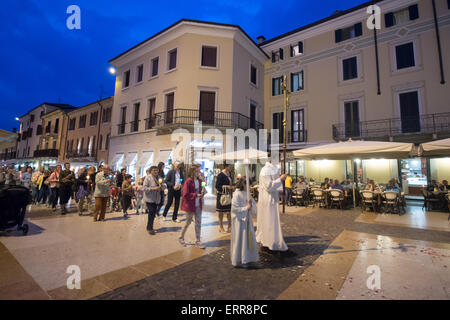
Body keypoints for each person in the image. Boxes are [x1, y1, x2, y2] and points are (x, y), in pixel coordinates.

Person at [256, 161, 288, 252]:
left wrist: (281, 191)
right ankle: (268, 242)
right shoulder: (265, 170)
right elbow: (269, 186)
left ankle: (271, 241)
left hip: (272, 199)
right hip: (268, 200)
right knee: (268, 220)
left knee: (271, 221)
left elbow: (274, 185)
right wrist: (280, 179)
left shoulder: (272, 169)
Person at [230, 176, 259, 268]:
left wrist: (251, 204)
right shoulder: (237, 194)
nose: (250, 186)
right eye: (248, 184)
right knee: (240, 239)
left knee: (248, 239)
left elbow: (253, 204)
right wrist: (246, 208)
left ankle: (248, 257)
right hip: (239, 221)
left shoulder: (247, 193)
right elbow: (234, 209)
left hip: (247, 219)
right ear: (243, 183)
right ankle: (239, 259)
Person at [179, 164, 206, 249]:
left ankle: (198, 240)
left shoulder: (200, 181)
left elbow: (203, 189)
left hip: (198, 205)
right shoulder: (188, 181)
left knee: (198, 223)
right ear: (193, 171)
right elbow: (185, 194)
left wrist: (203, 191)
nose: (199, 172)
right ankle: (181, 237)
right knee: (188, 222)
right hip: (190, 205)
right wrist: (196, 195)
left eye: (199, 170)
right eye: (197, 171)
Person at [143, 166, 162, 235]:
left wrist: (162, 187)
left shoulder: (159, 177)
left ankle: (150, 226)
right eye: (154, 170)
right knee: (151, 212)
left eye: (157, 170)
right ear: (151, 171)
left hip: (156, 198)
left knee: (153, 213)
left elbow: (162, 184)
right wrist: (153, 188)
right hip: (149, 198)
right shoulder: (148, 178)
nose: (156, 172)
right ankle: (149, 228)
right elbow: (144, 188)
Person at [215, 163, 234, 233]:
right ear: (226, 166)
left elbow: (231, 183)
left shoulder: (229, 174)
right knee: (221, 212)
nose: (231, 168)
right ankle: (221, 227)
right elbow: (217, 186)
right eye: (230, 166)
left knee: (229, 212)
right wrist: (226, 187)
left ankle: (229, 226)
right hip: (222, 196)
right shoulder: (221, 175)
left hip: (229, 195)